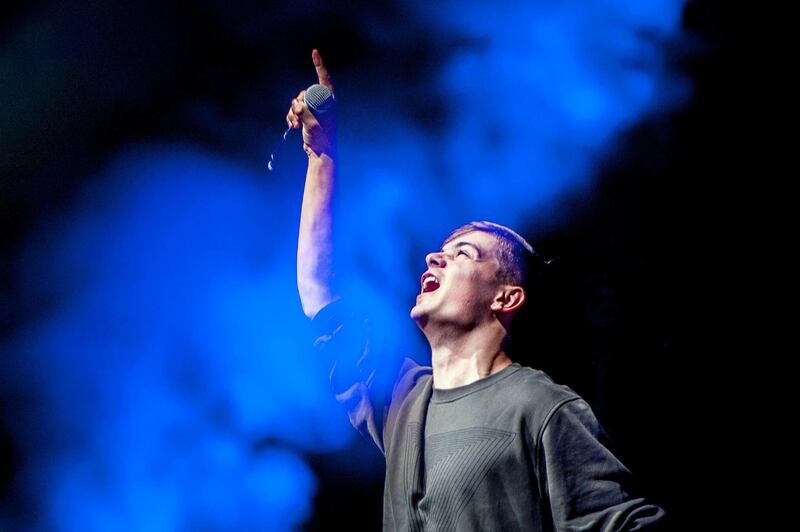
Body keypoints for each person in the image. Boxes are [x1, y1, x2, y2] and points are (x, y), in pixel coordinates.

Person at [289, 49, 666, 531]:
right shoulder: (403, 403)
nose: (435, 257)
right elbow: (320, 288)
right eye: (441, 250)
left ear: (506, 297)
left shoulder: (542, 408)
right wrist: (322, 152)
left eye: (464, 253)